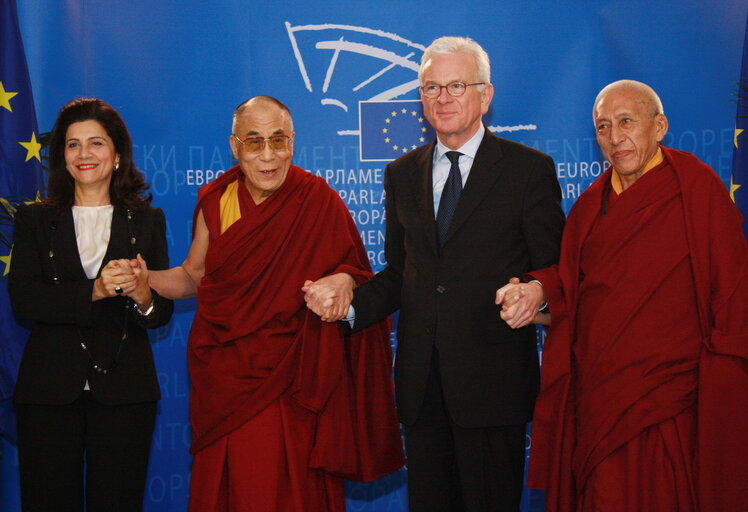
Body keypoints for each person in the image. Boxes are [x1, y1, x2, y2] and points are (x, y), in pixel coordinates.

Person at [303, 37, 565, 511]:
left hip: (493, 385)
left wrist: (537, 290)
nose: (442, 98)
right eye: (431, 87)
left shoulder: (529, 171)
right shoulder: (401, 173)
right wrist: (347, 304)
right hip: (422, 387)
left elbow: (557, 267)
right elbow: (403, 274)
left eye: (456, 85)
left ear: (485, 95)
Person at [496, 80, 748, 511]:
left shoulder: (697, 190)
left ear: (660, 126)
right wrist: (535, 293)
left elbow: (733, 296)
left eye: (626, 122)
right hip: (600, 399)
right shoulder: (590, 207)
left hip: (671, 400)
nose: (614, 138)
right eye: (602, 127)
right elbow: (573, 291)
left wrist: (724, 388)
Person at [147, 96, 404, 512]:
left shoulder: (317, 199)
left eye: (278, 140)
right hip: (226, 375)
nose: (268, 156)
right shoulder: (217, 200)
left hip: (292, 378)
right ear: (235, 147)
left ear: (293, 142)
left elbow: (360, 277)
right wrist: (145, 280)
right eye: (254, 142)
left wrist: (340, 280)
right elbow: (195, 275)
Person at [8, 98, 174, 511]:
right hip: (47, 393)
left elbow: (162, 313)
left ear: (117, 154)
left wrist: (143, 296)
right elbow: (24, 299)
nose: (84, 154)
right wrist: (94, 292)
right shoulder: (32, 220)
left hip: (125, 393)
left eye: (96, 143)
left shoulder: (147, 220)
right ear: (61, 156)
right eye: (73, 144)